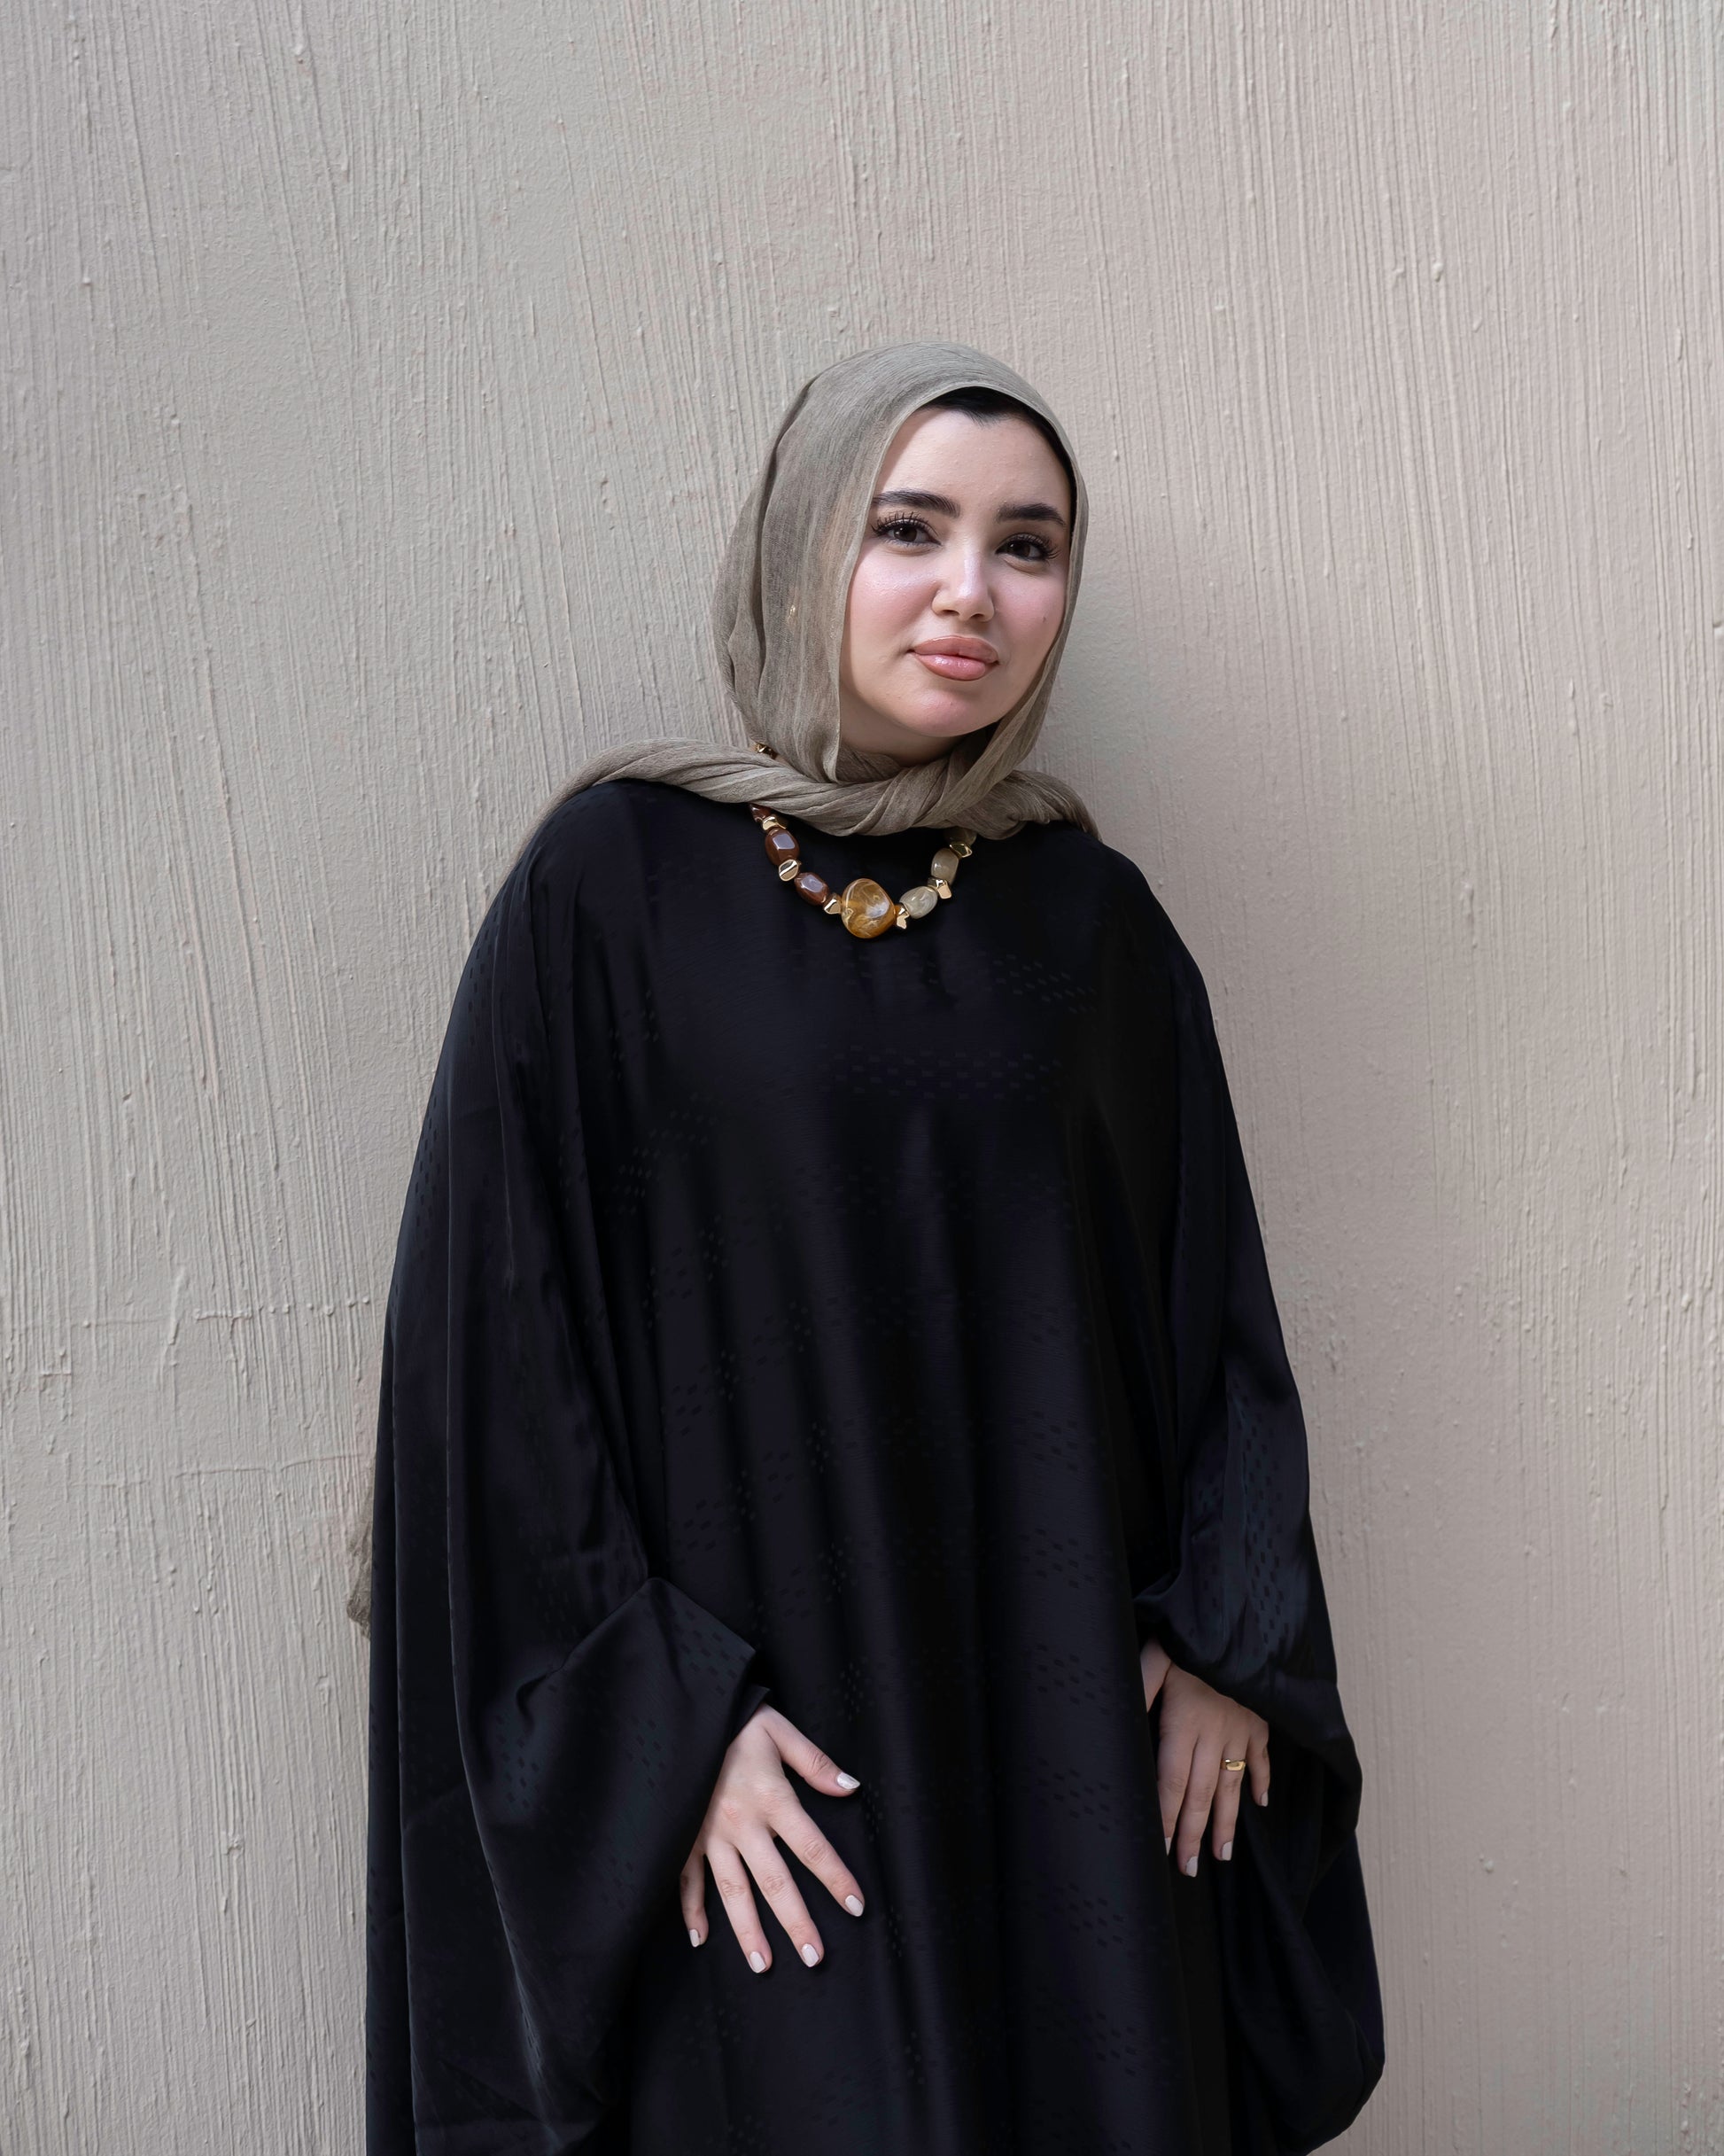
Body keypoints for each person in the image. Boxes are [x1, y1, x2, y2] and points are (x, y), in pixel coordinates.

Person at [361, 341, 1383, 2154]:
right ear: (803, 548)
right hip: (769, 1762)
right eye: (908, 529)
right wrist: (657, 1728)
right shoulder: (609, 889)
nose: (970, 592)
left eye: (1026, 545)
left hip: (1057, 1744)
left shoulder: (1093, 928)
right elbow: (495, 1360)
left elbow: (1210, 1306)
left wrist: (1232, 1644)